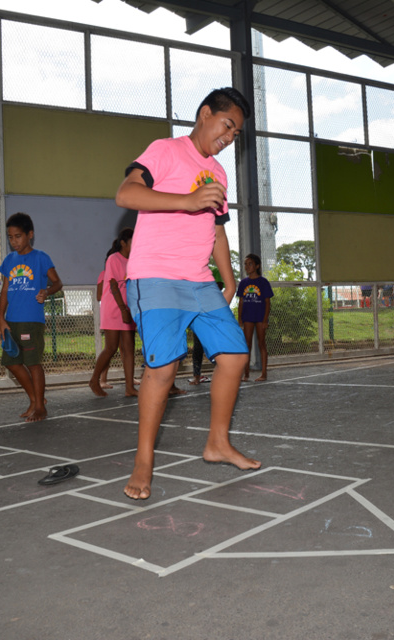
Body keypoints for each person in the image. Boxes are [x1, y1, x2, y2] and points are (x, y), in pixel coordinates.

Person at [116, 87, 261, 500]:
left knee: (235, 355)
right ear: (204, 114)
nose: (230, 136)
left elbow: (216, 227)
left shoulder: (219, 172)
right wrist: (188, 200)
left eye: (236, 134)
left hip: (199, 279)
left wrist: (228, 275)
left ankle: (217, 443)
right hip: (155, 276)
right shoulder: (164, 150)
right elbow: (126, 193)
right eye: (227, 125)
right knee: (163, 369)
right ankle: (143, 461)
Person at [0, 212, 62, 422]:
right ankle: (36, 400)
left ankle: (40, 406)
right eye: (10, 237)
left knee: (33, 363)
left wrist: (47, 292)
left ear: (30, 235)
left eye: (18, 236)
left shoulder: (41, 258)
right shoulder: (9, 260)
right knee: (11, 362)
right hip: (11, 320)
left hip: (31, 320)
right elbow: (5, 290)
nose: (13, 241)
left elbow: (57, 283)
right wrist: (0, 318)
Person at [90, 228, 138, 397]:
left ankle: (129, 387)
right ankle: (94, 380)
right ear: (123, 242)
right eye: (132, 241)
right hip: (114, 308)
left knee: (129, 348)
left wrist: (131, 309)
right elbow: (112, 284)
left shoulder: (133, 260)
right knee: (111, 347)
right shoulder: (114, 258)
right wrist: (123, 310)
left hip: (127, 308)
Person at [237, 254, 273, 382]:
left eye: (250, 264)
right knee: (246, 344)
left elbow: (267, 302)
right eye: (246, 264)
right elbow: (241, 302)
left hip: (260, 317)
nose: (247, 266)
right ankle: (245, 374)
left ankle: (264, 373)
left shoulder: (263, 282)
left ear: (257, 266)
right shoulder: (243, 283)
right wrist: (240, 318)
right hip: (247, 317)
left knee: (261, 343)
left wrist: (264, 320)